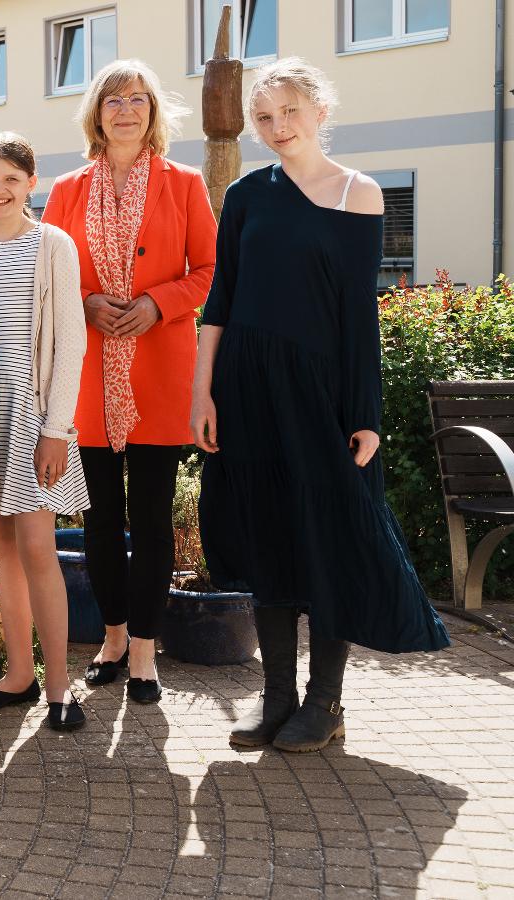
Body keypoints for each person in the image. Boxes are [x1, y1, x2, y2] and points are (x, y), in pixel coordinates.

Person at [192, 58, 449, 753]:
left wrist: (363, 412)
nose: (278, 128)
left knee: (328, 538)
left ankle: (324, 705)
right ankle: (275, 700)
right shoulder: (245, 195)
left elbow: (356, 314)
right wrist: (203, 392)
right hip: (247, 387)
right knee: (270, 538)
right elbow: (220, 302)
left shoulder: (356, 194)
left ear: (320, 111)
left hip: (320, 393)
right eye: (265, 117)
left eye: (290, 112)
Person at [42, 59, 217, 704]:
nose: (124, 109)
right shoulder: (67, 188)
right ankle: (112, 638)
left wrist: (158, 304)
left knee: (149, 519)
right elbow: (49, 271)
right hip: (87, 378)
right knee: (97, 521)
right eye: (112, 99)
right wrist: (85, 300)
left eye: (137, 99)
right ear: (96, 112)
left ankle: (145, 649)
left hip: (158, 374)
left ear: (152, 112)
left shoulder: (186, 183)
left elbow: (208, 269)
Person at [0, 134, 89, 731]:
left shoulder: (51, 243)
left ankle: (60, 689)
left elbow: (72, 339)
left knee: (38, 550)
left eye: (11, 178)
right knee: (2, 549)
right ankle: (18, 676)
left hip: (34, 418)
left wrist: (56, 428)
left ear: (32, 183)